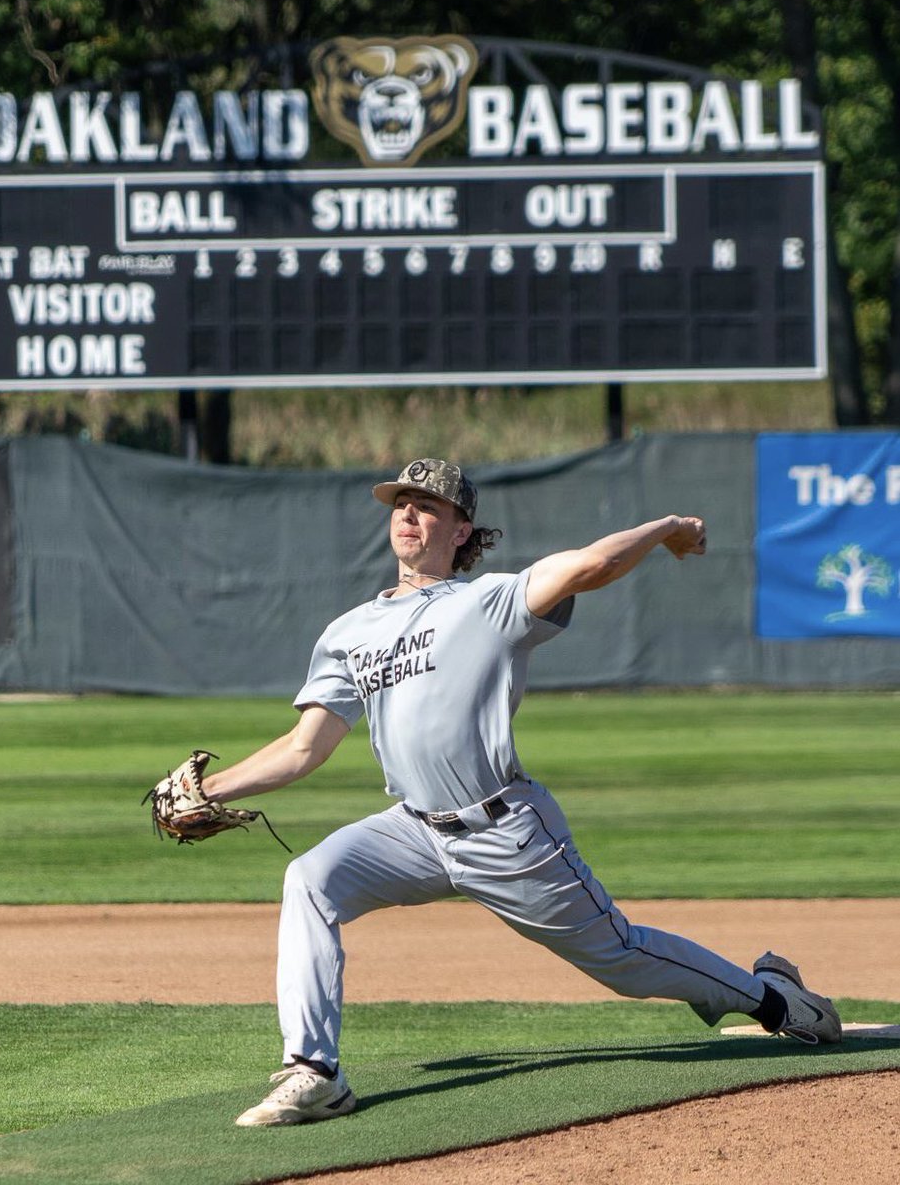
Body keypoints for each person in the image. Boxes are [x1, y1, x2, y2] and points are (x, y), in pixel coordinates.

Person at [201, 457, 841, 1128]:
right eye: (400, 504)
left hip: (504, 830)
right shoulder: (348, 631)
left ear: (460, 531)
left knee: (623, 958)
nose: (408, 514)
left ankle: (776, 1000)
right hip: (413, 830)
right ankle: (315, 1071)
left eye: (427, 506)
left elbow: (592, 565)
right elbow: (305, 748)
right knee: (310, 878)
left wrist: (666, 527)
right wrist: (208, 787)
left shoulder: (489, 602)